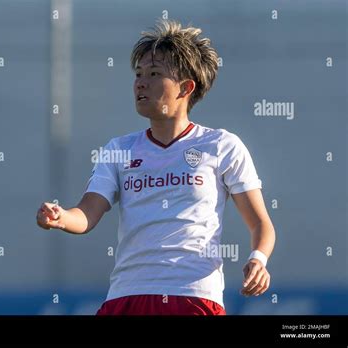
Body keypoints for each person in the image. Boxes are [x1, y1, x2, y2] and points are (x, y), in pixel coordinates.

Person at [36, 19, 276, 315]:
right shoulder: (119, 149)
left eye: (154, 74)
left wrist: (258, 259)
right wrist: (61, 217)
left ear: (186, 87)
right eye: (138, 74)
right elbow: (87, 213)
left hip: (193, 296)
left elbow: (261, 224)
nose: (141, 82)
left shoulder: (222, 145)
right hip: (127, 295)